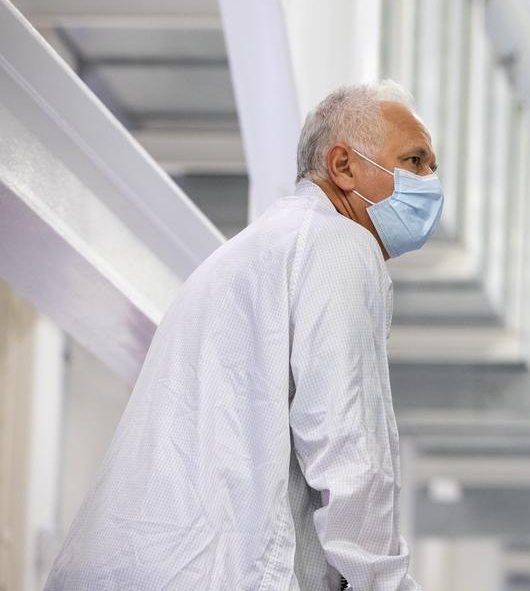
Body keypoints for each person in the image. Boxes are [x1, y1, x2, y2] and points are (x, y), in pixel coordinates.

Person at [46, 81, 440, 591]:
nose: (430, 181)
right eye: (414, 161)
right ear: (343, 166)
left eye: (432, 167)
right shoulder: (338, 244)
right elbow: (348, 448)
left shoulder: (256, 249)